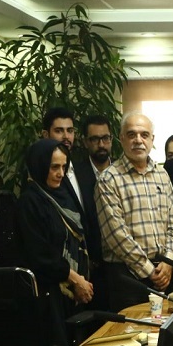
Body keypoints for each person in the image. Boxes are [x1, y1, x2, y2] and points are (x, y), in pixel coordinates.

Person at [96, 112, 173, 311]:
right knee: (133, 330)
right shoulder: (109, 179)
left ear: (152, 139)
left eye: (144, 135)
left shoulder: (162, 174)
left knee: (167, 328)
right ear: (121, 139)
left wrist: (168, 262)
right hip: (127, 278)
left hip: (164, 273)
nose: (138, 140)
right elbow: (116, 235)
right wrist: (150, 270)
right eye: (131, 134)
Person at [16, 139, 93, 346]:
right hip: (49, 298)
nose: (60, 173)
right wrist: (75, 279)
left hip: (73, 296)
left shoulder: (64, 195)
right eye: (54, 167)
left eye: (64, 167)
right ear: (40, 165)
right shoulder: (30, 201)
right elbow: (39, 254)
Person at [74, 114, 113, 314]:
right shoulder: (75, 174)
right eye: (95, 139)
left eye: (105, 138)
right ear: (85, 142)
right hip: (91, 267)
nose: (101, 144)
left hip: (120, 268)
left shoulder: (122, 171)